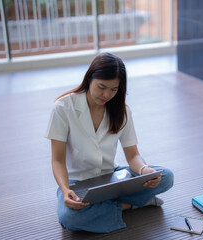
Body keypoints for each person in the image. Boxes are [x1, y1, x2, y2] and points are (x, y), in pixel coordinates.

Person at [45, 52, 174, 233]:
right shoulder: (63, 108)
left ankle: (105, 205)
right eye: (102, 87)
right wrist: (65, 190)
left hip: (111, 177)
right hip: (78, 182)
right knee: (69, 218)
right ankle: (130, 205)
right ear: (90, 78)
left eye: (114, 89)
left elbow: (133, 155)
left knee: (165, 176)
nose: (106, 94)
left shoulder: (121, 111)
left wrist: (145, 171)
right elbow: (57, 160)